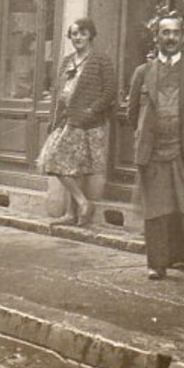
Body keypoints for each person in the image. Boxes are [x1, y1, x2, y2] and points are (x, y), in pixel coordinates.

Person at [126, 14, 184, 281]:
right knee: (156, 211)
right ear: (157, 38)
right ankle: (157, 264)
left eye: (175, 33)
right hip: (155, 152)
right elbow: (133, 113)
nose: (170, 38)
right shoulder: (143, 73)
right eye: (165, 33)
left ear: (183, 38)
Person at [37, 18, 116, 227]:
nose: (78, 37)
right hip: (66, 120)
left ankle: (79, 206)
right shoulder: (67, 61)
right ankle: (78, 208)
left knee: (64, 163)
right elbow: (58, 93)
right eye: (74, 34)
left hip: (88, 123)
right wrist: (54, 119)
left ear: (91, 35)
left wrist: (92, 110)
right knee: (61, 164)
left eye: (82, 33)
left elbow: (109, 91)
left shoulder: (101, 60)